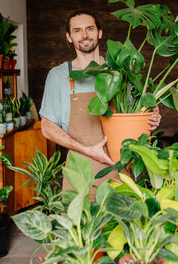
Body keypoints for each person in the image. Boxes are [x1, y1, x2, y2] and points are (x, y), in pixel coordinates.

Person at [39, 10, 161, 191]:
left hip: (122, 172)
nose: (85, 35)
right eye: (77, 31)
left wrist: (152, 117)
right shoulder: (58, 76)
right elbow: (47, 128)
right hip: (80, 173)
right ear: (69, 37)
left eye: (90, 29)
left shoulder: (120, 72)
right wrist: (88, 150)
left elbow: (140, 110)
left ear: (100, 32)